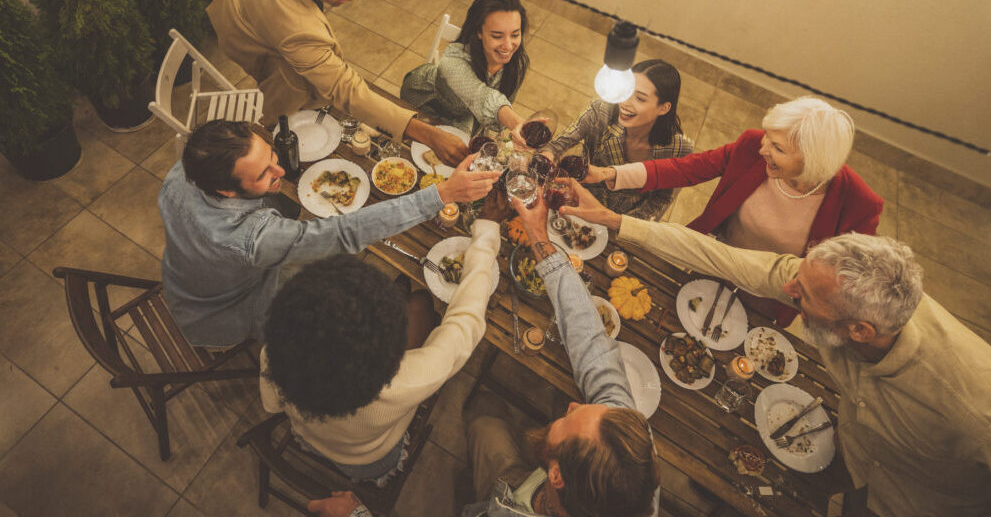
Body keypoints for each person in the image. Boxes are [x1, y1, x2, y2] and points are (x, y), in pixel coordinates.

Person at [563, 183, 991, 517]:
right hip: (853, 460)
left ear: (860, 331)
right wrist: (616, 221)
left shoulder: (988, 413)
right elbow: (723, 258)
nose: (790, 295)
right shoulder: (826, 286)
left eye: (803, 297)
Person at [158, 119, 497, 347]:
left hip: (183, 278)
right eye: (264, 174)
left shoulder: (185, 169)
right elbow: (343, 234)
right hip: (222, 313)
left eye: (272, 154)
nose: (280, 170)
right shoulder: (252, 241)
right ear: (228, 191)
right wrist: (442, 194)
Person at [259, 191, 509, 483]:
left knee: (414, 304)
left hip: (309, 434)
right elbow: (465, 321)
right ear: (381, 352)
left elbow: (272, 404)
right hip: (368, 460)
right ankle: (409, 300)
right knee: (420, 305)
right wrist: (487, 231)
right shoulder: (405, 383)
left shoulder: (279, 351)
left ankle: (407, 298)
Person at [586, 96, 881, 324]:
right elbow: (685, 169)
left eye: (777, 148)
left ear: (814, 162)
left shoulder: (859, 204)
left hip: (767, 297)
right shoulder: (752, 145)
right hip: (712, 262)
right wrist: (610, 174)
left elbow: (847, 282)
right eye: (768, 136)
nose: (763, 148)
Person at [206, 0, 469, 166]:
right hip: (240, 27)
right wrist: (426, 133)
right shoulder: (297, 33)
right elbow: (345, 89)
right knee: (293, 97)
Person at [461, 192, 660, 517]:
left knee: (482, 415)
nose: (574, 404)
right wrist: (538, 234)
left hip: (507, 498)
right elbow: (593, 345)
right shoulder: (627, 447)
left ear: (556, 475)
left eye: (570, 419)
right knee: (485, 413)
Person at [543, 59, 693, 221]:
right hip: (576, 199)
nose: (625, 103)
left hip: (622, 219)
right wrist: (547, 154)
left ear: (663, 108)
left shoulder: (679, 149)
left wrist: (619, 224)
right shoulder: (601, 110)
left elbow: (661, 200)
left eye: (640, 99)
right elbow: (558, 145)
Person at [400, 0, 530, 135]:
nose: (508, 45)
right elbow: (479, 95)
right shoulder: (453, 59)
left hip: (467, 118)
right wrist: (516, 122)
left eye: (515, 34)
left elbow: (497, 120)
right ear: (479, 32)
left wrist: (514, 124)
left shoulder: (517, 65)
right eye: (497, 36)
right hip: (427, 102)